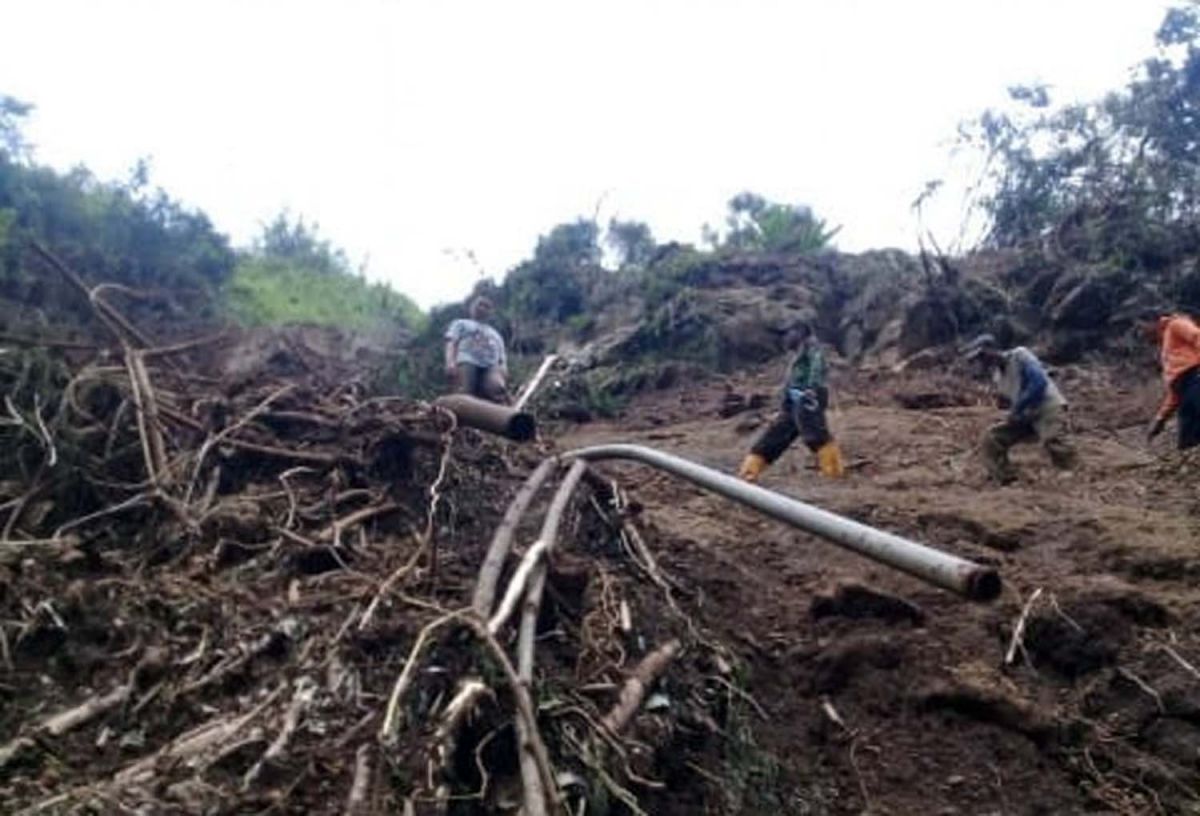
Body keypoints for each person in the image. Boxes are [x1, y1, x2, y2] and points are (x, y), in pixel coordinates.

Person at [738, 321, 845, 482]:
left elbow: (817, 367)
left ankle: (835, 475)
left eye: (788, 333)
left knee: (816, 435)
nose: (785, 339)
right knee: (776, 434)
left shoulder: (813, 348)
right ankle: (749, 472)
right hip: (794, 399)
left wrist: (811, 389)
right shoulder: (798, 355)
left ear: (800, 332)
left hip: (807, 396)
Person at [966, 335, 1075, 483]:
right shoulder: (998, 377)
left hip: (1047, 406)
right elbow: (1009, 400)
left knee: (1054, 439)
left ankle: (1069, 471)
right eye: (979, 359)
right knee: (992, 437)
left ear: (993, 350)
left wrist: (1017, 408)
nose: (982, 361)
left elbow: (1038, 383)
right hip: (1026, 414)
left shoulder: (1020, 355)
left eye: (983, 355)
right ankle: (1006, 477)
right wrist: (1011, 414)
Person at [1145, 313, 1200, 450]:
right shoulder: (1167, 351)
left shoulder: (1175, 324)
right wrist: (1160, 420)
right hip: (1184, 392)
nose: (1143, 331)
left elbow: (1197, 336)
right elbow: (1174, 392)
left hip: (1195, 378)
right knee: (1186, 442)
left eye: (1144, 325)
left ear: (1154, 321)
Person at [444, 296, 508, 403]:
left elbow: (502, 354)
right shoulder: (461, 323)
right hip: (467, 360)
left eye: (487, 307)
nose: (483, 308)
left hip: (491, 366)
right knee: (464, 393)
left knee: (497, 389)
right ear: (472, 308)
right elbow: (452, 342)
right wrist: (450, 362)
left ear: (491, 312)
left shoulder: (495, 333)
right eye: (480, 304)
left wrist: (504, 367)